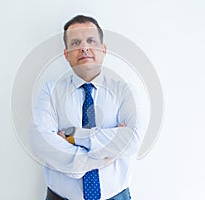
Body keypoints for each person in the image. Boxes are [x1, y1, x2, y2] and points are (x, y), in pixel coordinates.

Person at [29, 15, 147, 200]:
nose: (84, 47)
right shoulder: (50, 91)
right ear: (66, 54)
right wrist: (98, 158)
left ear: (103, 49)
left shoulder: (125, 91)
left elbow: (132, 140)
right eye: (75, 43)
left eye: (91, 40)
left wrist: (73, 135)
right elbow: (41, 143)